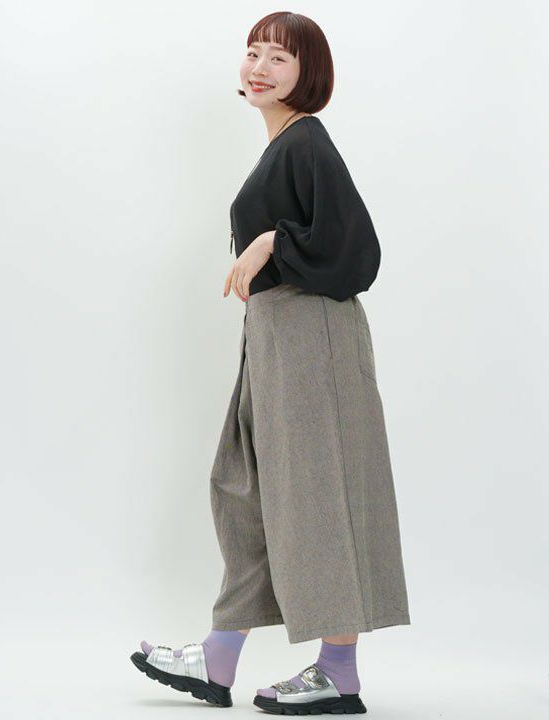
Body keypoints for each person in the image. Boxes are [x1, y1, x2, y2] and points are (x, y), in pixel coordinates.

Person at [130, 11, 411, 715]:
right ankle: (218, 656)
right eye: (252, 52)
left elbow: (357, 250)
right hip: (275, 333)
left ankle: (338, 671)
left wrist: (271, 244)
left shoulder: (308, 141)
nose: (259, 67)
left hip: (313, 334)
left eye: (279, 58)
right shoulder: (282, 146)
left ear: (308, 72)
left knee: (317, 491)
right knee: (245, 487)